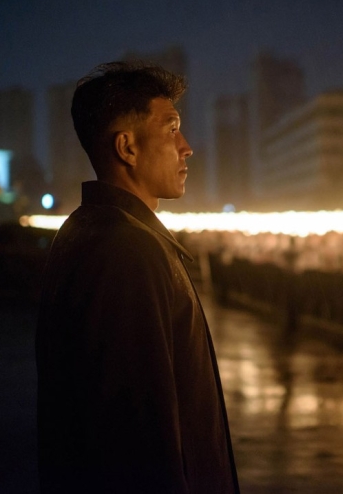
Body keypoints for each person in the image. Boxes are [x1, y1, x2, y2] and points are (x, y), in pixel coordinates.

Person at [35, 62, 239, 493]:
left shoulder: (98, 231)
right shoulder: (126, 252)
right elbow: (137, 439)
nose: (186, 148)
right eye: (171, 129)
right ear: (126, 147)